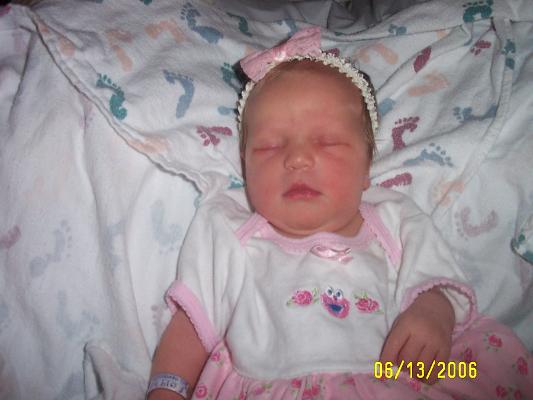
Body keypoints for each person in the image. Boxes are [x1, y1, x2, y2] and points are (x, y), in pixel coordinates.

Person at [147, 27, 532, 399]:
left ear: (366, 170)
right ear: (245, 164)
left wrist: (432, 313)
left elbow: (436, 280)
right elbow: (192, 327)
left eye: (327, 141)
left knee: (470, 371)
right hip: (265, 381)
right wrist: (167, 390)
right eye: (269, 147)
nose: (297, 159)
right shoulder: (231, 232)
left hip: (394, 376)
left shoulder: (394, 219)